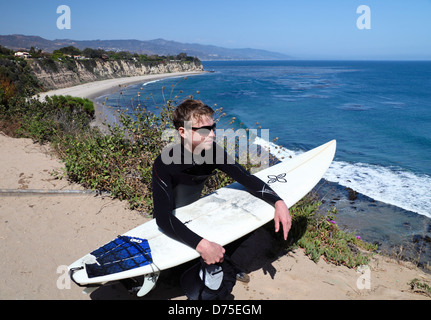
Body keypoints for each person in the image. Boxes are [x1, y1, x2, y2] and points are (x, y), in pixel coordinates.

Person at [152, 99, 291, 274]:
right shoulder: (165, 163)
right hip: (172, 224)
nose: (212, 135)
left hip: (197, 214)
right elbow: (162, 218)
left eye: (213, 128)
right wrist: (203, 246)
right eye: (204, 130)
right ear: (183, 132)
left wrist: (278, 202)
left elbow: (246, 178)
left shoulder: (213, 152)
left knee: (259, 241)